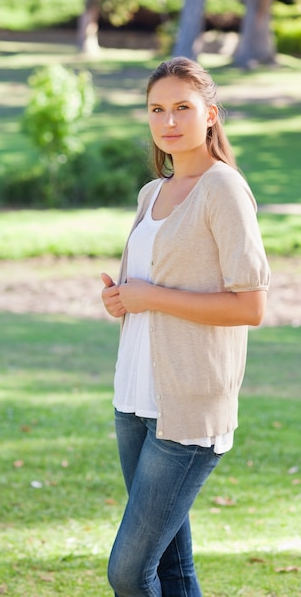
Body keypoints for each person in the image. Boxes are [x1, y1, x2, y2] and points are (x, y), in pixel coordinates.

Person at [100, 56, 271, 597]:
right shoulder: (152, 193)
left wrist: (151, 296)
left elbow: (250, 306)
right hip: (135, 398)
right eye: (156, 109)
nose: (168, 120)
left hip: (190, 409)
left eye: (182, 107)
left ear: (210, 115)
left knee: (129, 572)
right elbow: (151, 289)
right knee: (171, 569)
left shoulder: (223, 188)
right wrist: (121, 299)